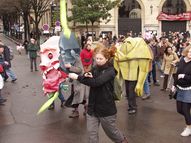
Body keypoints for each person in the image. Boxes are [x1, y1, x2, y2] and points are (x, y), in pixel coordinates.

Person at [69, 45, 128, 143]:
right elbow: (88, 76)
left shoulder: (111, 71)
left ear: (107, 58)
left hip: (106, 110)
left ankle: (123, 141)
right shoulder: (95, 67)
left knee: (112, 133)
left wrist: (78, 77)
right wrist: (85, 75)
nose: (98, 60)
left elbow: (96, 82)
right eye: (96, 58)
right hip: (92, 109)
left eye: (101, 58)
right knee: (92, 136)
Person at [173, 46, 191, 137]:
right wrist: (174, 85)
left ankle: (188, 128)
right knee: (179, 110)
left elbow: (182, 75)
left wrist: (184, 76)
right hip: (180, 88)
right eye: (189, 52)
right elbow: (177, 73)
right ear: (186, 52)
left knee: (185, 109)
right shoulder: (182, 60)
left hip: (189, 89)